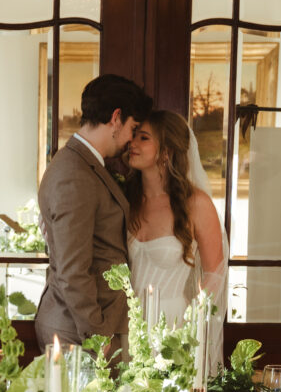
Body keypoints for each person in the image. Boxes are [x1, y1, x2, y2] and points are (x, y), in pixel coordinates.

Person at [34, 73, 153, 352]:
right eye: (133, 128)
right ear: (116, 118)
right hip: (76, 330)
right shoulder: (75, 174)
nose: (130, 139)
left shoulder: (81, 164)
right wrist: (97, 334)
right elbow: (73, 270)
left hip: (84, 323)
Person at [126, 109, 228, 371]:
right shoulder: (127, 200)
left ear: (166, 151)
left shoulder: (196, 203)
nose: (132, 143)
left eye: (143, 138)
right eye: (134, 135)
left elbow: (215, 272)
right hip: (127, 325)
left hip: (174, 326)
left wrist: (192, 325)